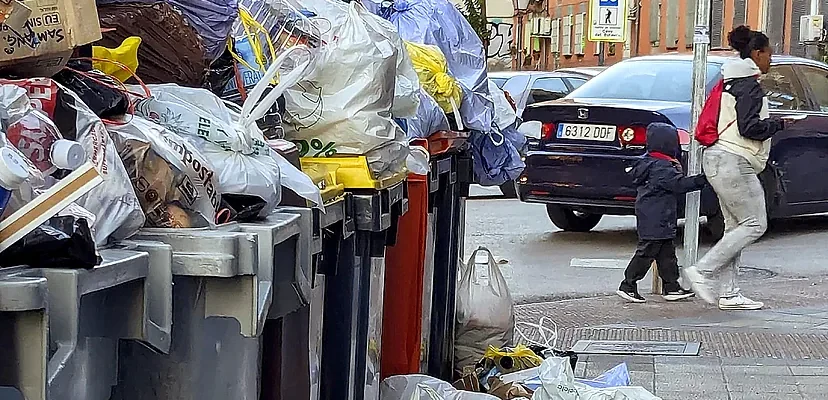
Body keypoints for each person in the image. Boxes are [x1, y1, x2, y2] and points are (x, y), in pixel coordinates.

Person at [685, 26, 786, 310]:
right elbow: (750, 127)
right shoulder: (749, 86)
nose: (770, 61)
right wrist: (777, 124)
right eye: (768, 55)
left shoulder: (729, 81)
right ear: (757, 53)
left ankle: (729, 293)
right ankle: (703, 271)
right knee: (755, 223)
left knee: (735, 229)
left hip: (718, 159)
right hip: (733, 161)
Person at [616, 122, 708, 303]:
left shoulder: (649, 162)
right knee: (647, 252)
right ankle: (628, 284)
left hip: (656, 216)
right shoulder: (661, 167)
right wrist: (702, 180)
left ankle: (671, 286)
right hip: (656, 217)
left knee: (666, 254)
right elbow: (678, 184)